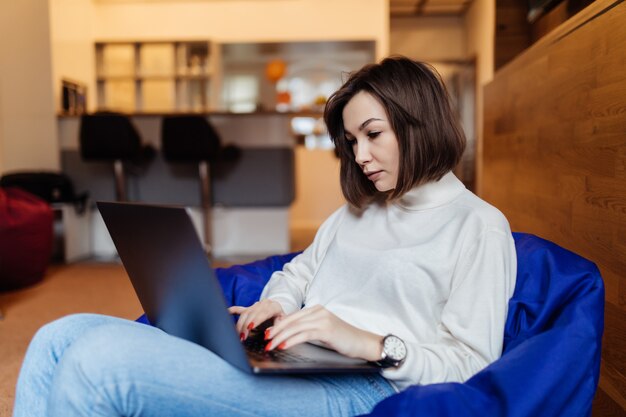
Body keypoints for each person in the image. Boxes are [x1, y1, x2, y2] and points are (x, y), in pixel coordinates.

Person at [12, 56, 516, 417]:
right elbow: (297, 272)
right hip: (297, 359)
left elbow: (474, 364)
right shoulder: (356, 212)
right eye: (351, 141)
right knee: (57, 337)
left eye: (373, 134)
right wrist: (277, 302)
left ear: (419, 123)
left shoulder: (478, 226)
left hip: (366, 389)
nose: (359, 156)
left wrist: (369, 343)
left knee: (96, 363)